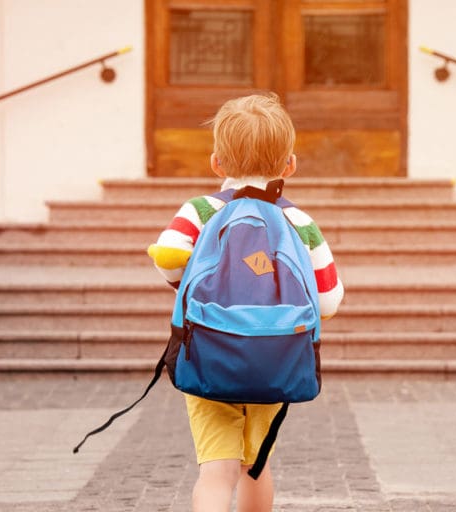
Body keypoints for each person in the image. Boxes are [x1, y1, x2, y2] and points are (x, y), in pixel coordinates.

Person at [147, 93, 344, 512]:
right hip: (275, 356)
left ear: (216, 163)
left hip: (208, 354)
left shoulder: (200, 210)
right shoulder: (300, 222)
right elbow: (326, 301)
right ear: (289, 165)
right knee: (255, 467)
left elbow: (168, 257)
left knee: (215, 471)